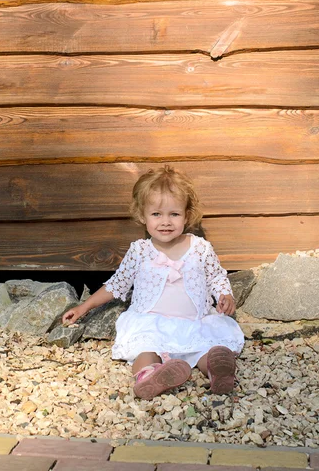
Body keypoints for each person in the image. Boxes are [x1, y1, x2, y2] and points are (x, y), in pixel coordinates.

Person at [62, 165, 244, 400]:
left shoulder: (199, 248)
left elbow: (216, 277)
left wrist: (224, 296)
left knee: (207, 348)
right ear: (142, 216)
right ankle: (149, 377)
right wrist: (83, 307)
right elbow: (117, 284)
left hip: (194, 322)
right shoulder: (140, 251)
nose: (165, 222)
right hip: (151, 324)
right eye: (156, 214)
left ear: (187, 215)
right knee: (146, 351)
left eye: (174, 214)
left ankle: (218, 370)